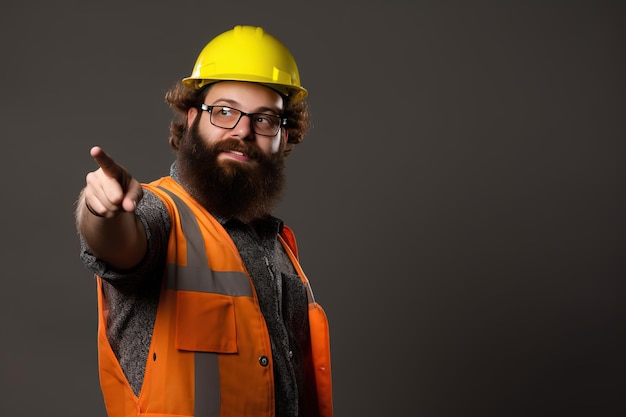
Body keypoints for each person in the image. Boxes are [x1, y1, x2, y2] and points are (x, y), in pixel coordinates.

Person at [75, 25, 333, 417]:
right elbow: (117, 245)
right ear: (193, 118)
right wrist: (101, 211)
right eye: (224, 111)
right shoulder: (160, 213)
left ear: (284, 136)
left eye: (264, 120)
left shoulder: (278, 249)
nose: (243, 131)